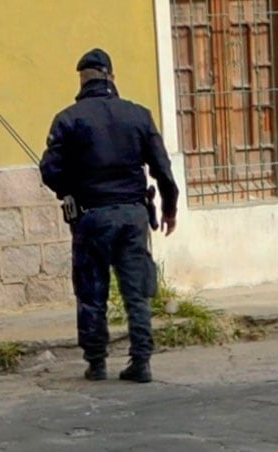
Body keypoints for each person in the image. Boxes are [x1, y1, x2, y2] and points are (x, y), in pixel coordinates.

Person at [39, 48, 179, 383]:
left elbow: (49, 169)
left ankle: (97, 362)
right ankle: (141, 361)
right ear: (111, 77)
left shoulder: (68, 119)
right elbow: (163, 169)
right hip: (133, 214)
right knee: (136, 291)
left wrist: (68, 190)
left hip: (92, 217)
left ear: (82, 79)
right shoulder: (139, 116)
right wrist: (170, 209)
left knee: (92, 290)